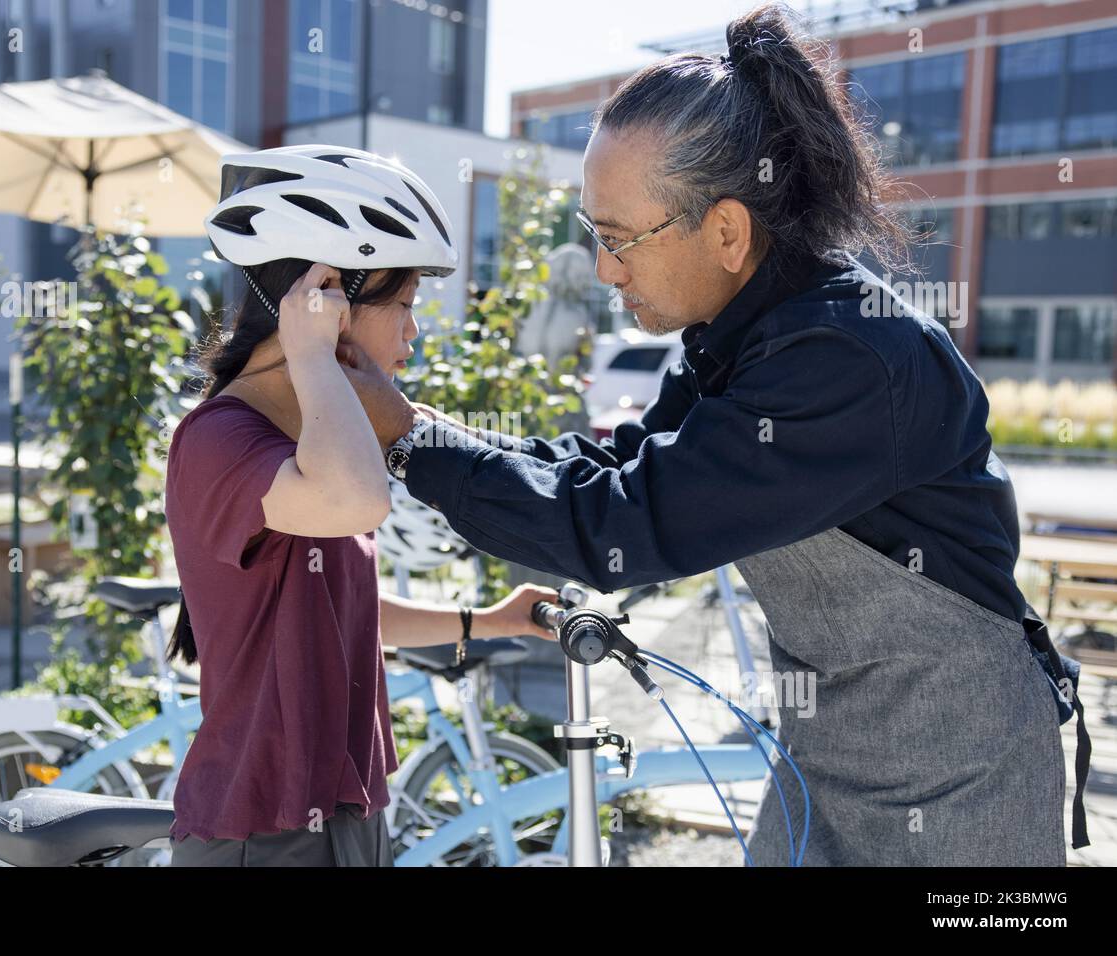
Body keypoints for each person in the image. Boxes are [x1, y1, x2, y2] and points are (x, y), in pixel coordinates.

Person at [340, 4, 1090, 865]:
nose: (604, 269)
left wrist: (405, 440)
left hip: (963, 767)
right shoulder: (742, 335)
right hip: (830, 754)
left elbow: (627, 526)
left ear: (728, 230)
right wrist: (424, 430)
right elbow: (619, 469)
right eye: (594, 236)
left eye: (620, 238)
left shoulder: (843, 360)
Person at [163, 144, 558, 867]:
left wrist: (488, 620)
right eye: (404, 306)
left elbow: (350, 615)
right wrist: (312, 353)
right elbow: (357, 500)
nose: (413, 333)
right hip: (265, 829)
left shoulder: (310, 437)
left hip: (346, 817)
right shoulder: (220, 439)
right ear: (331, 301)